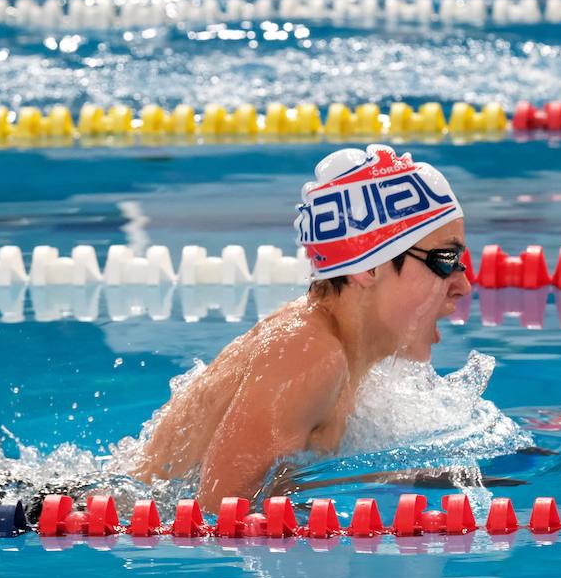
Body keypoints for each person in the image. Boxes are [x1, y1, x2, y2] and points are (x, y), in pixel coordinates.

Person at [125, 144, 471, 506]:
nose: (463, 286)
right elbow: (221, 515)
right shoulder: (307, 353)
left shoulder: (338, 350)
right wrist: (400, 482)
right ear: (368, 267)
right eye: (446, 260)